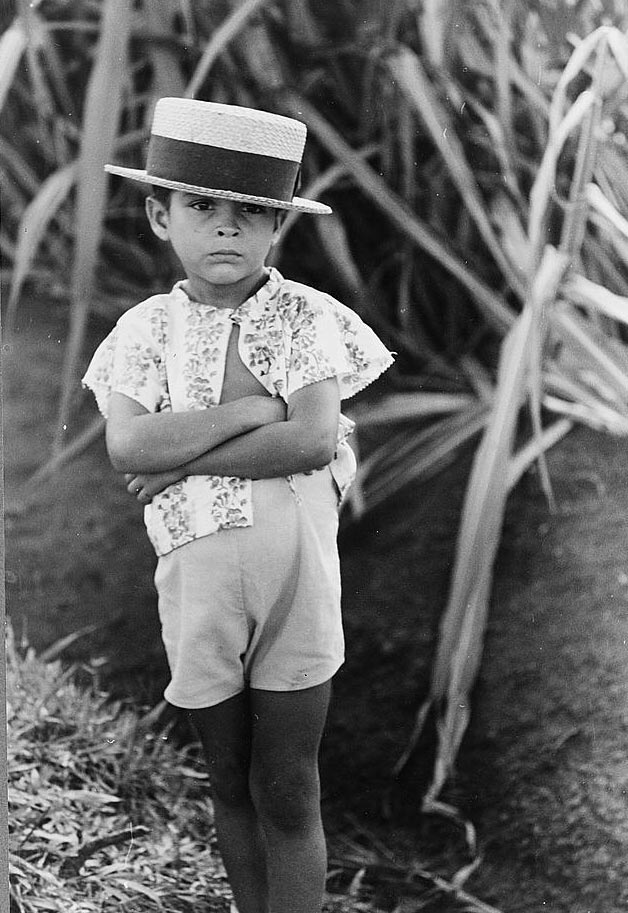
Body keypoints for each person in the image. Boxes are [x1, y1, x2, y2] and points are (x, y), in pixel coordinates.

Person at [83, 97, 393, 913]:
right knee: (229, 778)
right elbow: (129, 448)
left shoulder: (304, 318)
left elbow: (311, 442)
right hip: (200, 590)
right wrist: (257, 410)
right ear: (160, 214)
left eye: (251, 211)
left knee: (288, 782)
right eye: (201, 207)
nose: (226, 228)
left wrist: (188, 452)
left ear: (278, 226)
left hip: (296, 587)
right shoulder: (145, 331)